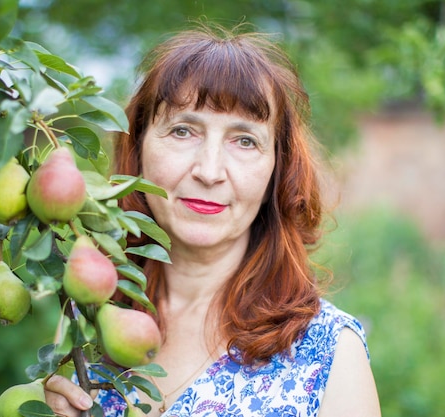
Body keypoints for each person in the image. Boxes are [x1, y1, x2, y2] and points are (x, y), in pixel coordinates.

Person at [44, 22, 381, 417]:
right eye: (183, 130)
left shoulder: (329, 353)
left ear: (278, 169)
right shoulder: (91, 323)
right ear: (137, 149)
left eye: (244, 140)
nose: (209, 170)